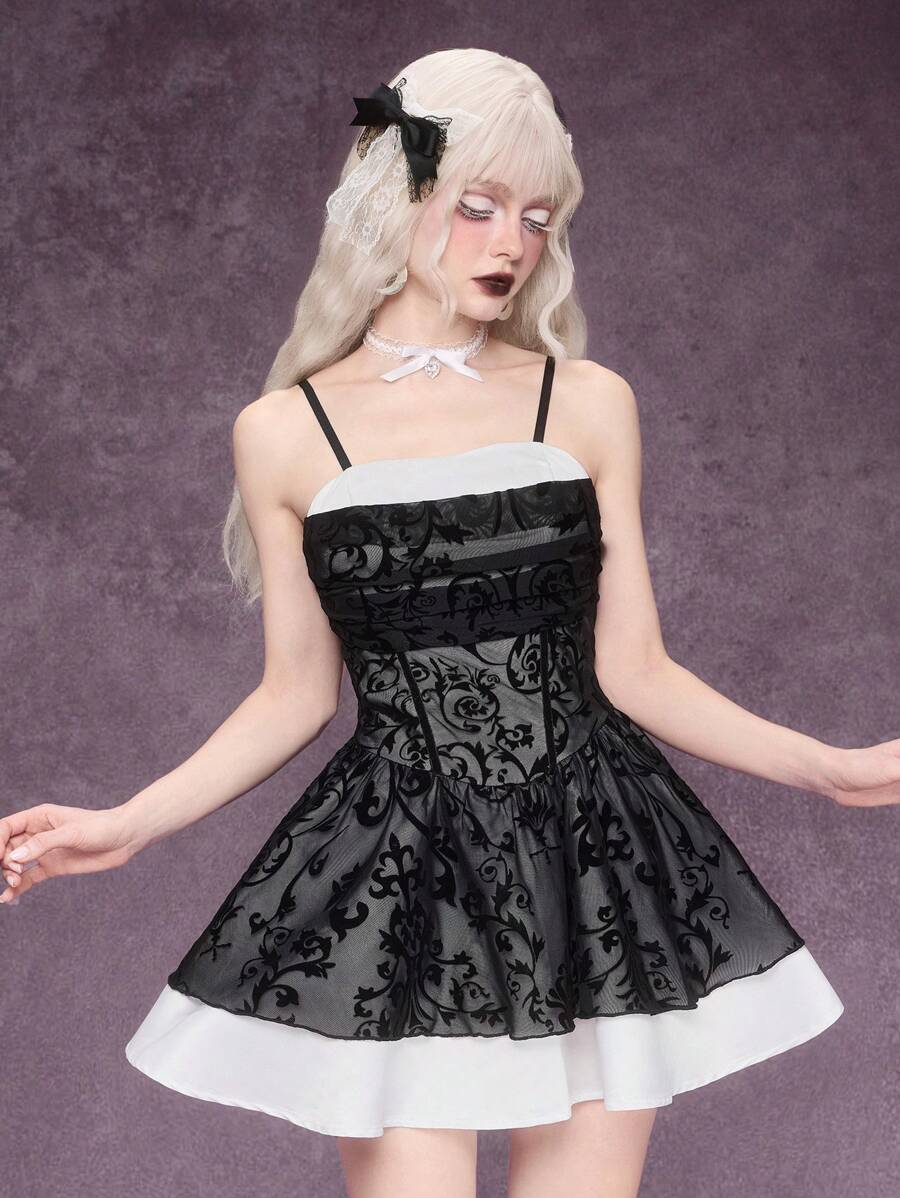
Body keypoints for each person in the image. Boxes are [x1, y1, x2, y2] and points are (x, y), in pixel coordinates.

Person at [2, 47, 898, 1198]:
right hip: (400, 876)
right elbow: (293, 695)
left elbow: (637, 670)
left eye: (537, 214)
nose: (510, 242)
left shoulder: (587, 403)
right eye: (478, 205)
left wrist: (831, 769)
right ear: (396, 195)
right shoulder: (283, 433)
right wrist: (128, 825)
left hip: (596, 862)